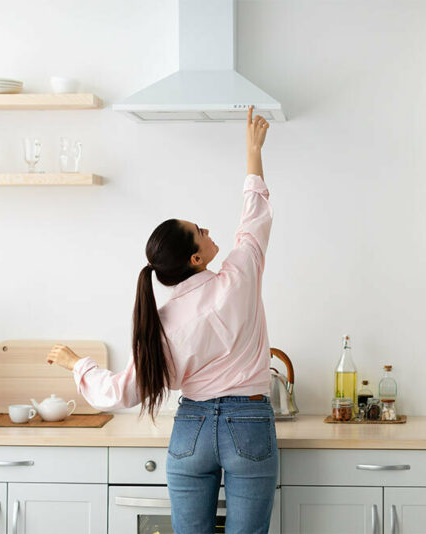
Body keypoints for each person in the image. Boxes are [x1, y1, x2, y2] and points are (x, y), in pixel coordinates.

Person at [46, 106, 276, 534]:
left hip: (190, 429)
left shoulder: (164, 321)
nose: (208, 231)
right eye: (200, 231)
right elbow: (255, 219)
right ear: (195, 258)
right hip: (249, 422)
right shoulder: (239, 276)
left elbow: (120, 391)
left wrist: (77, 363)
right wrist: (252, 154)